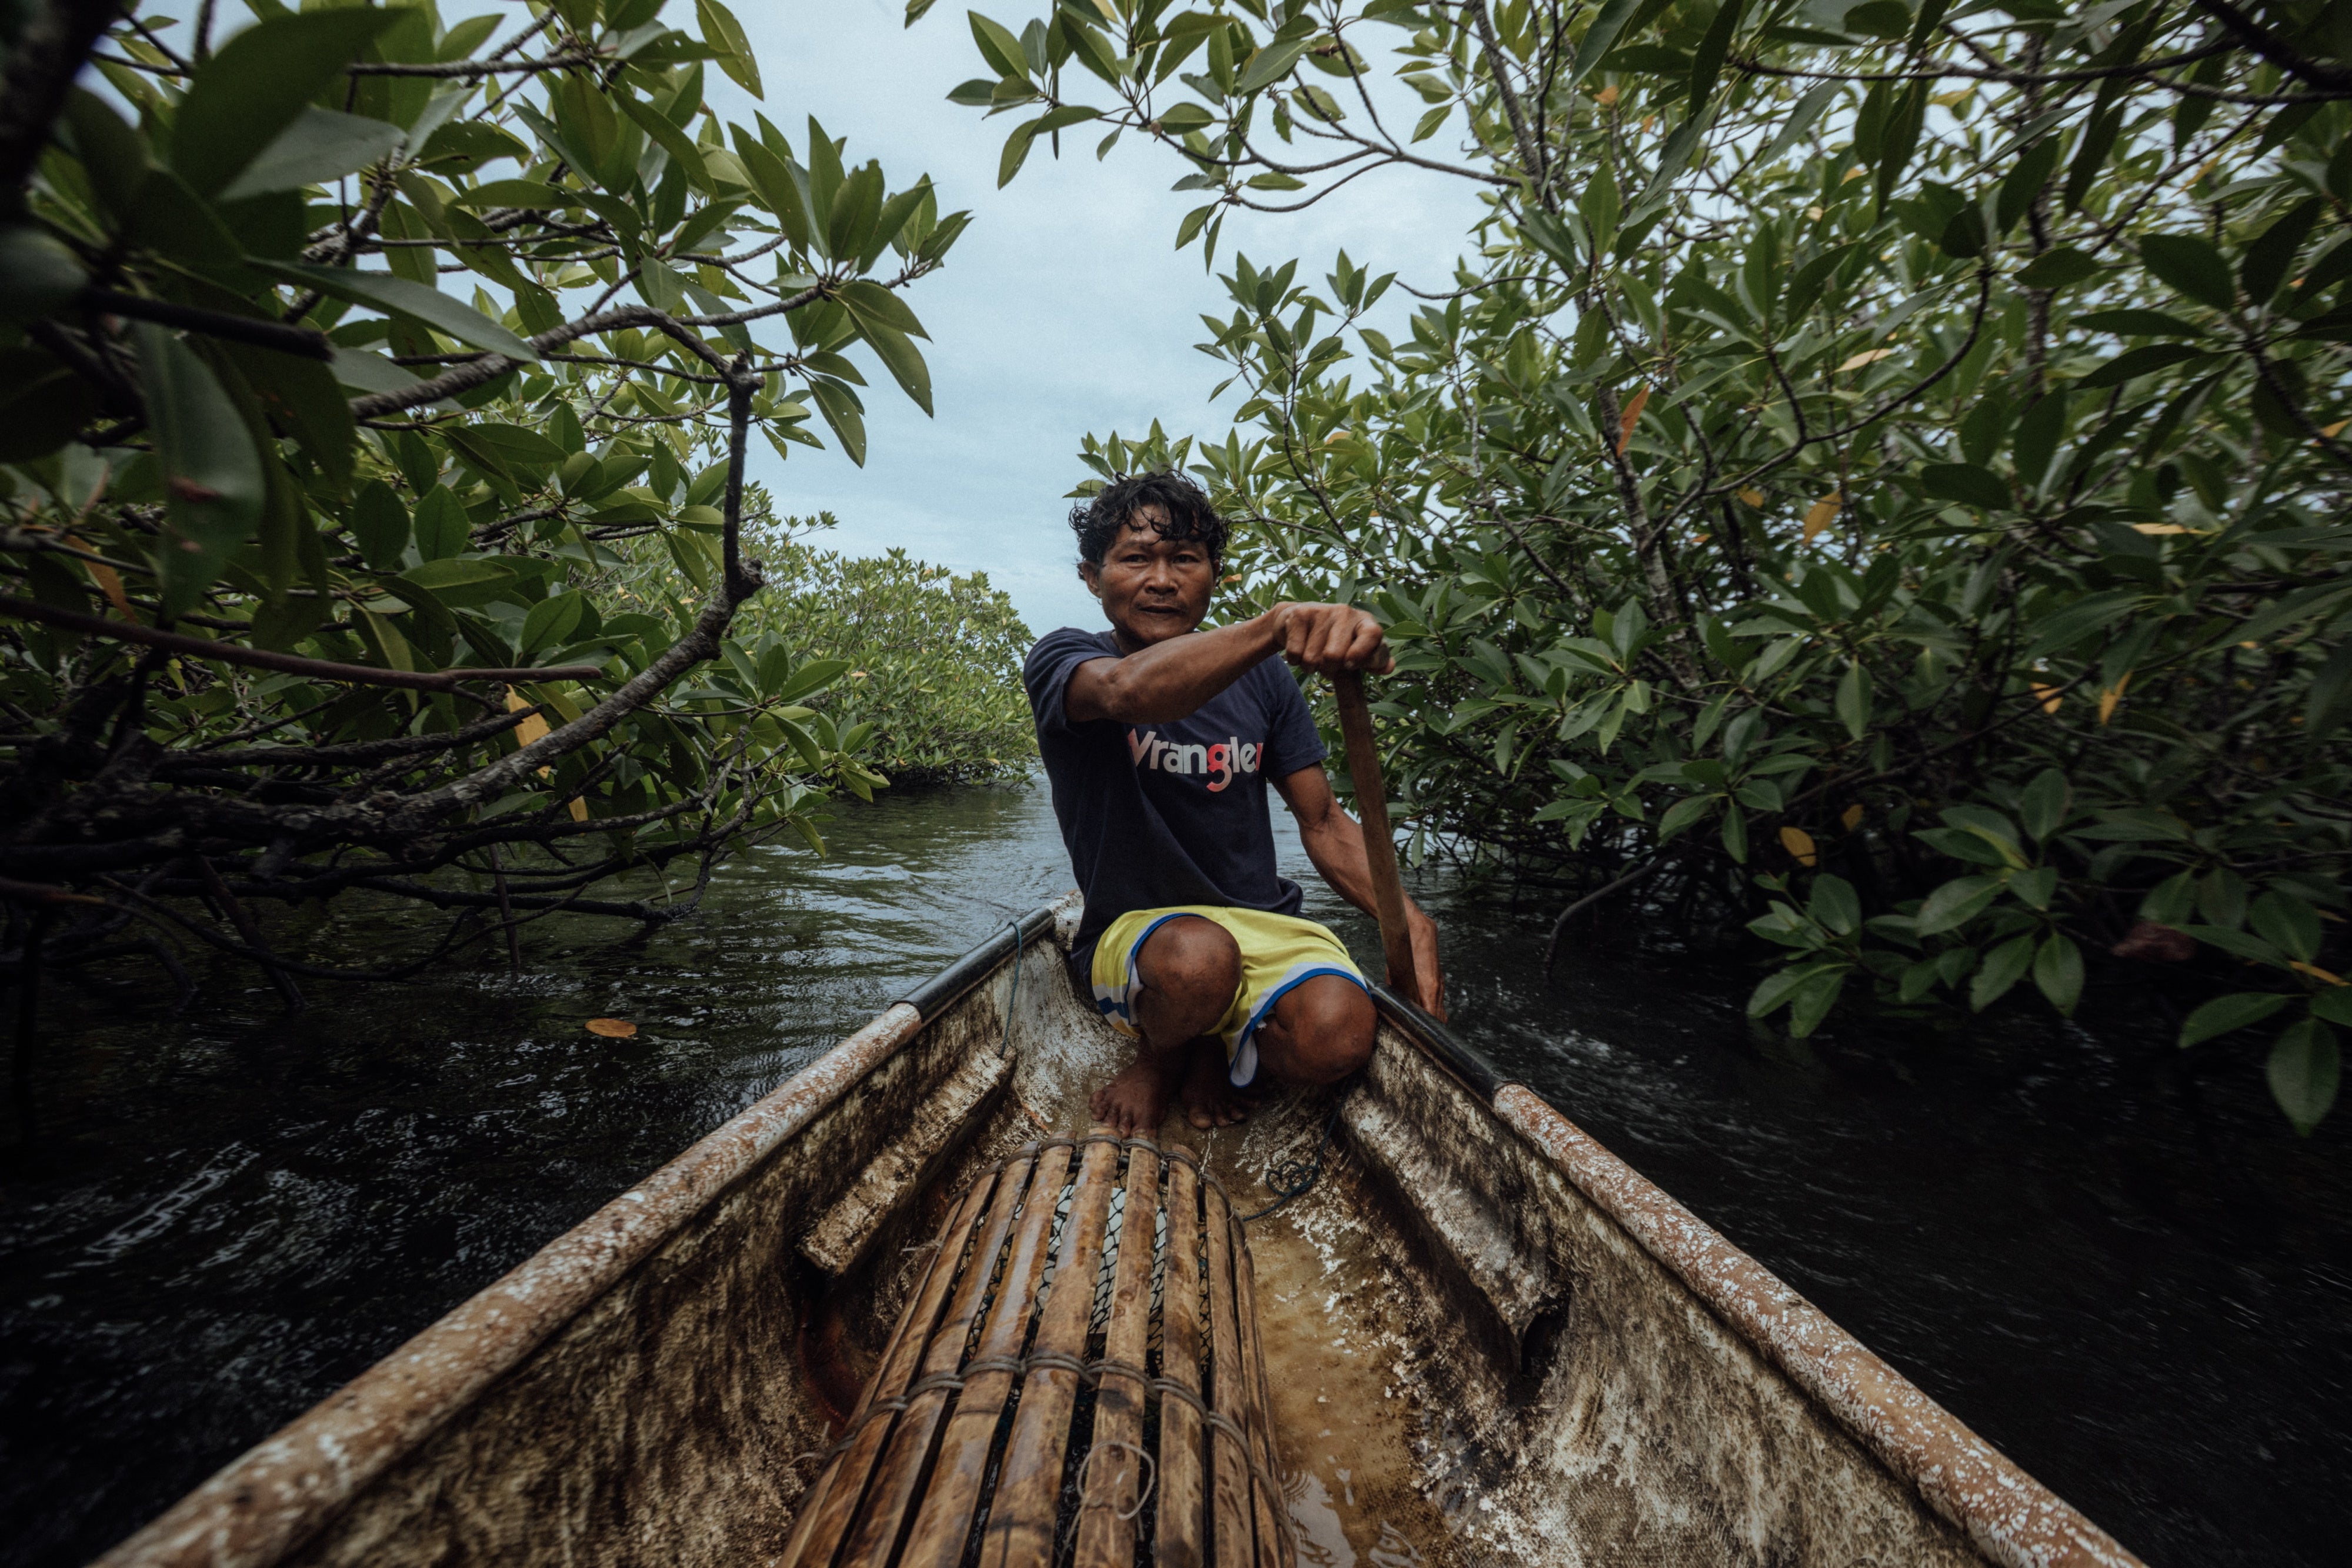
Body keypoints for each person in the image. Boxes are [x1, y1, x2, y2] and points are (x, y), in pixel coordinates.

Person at [1023, 470, 1447, 1136]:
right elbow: (1132, 693)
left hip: (1260, 923)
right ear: (1092, 576)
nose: (1161, 579)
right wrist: (1279, 624)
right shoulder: (1066, 658)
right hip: (1143, 937)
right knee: (1199, 962)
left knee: (1339, 1035)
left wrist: (1410, 922)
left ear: (1214, 575)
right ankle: (1164, 1056)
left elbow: (1324, 821)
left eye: (1184, 560)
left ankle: (1227, 1047)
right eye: (1136, 558)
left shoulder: (1264, 677)